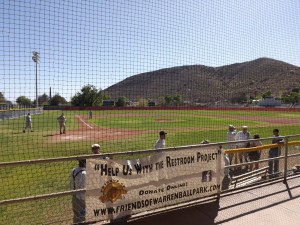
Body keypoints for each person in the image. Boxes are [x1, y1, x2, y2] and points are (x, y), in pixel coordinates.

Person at [70, 159, 86, 224]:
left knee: (76, 214)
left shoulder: (73, 170)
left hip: (74, 196)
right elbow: (82, 187)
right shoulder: (84, 173)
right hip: (81, 198)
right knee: (82, 215)